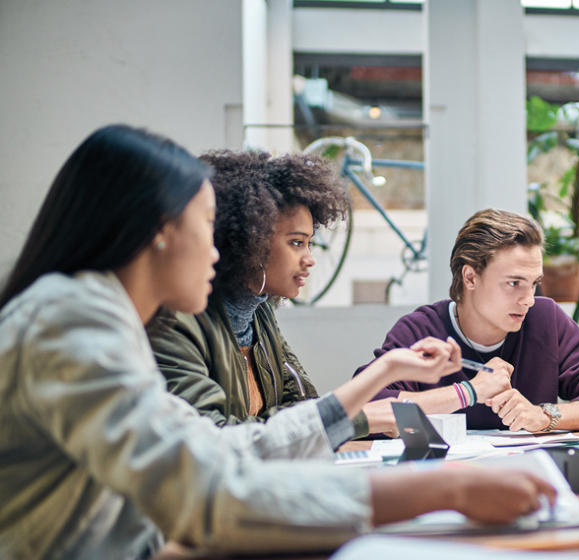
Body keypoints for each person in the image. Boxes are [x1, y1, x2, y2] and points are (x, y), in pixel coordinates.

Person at [0, 126, 555, 560]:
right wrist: (444, 494)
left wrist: (384, 379)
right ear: (161, 230)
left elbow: (226, 451)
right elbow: (208, 490)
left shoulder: (97, 317)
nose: (219, 246)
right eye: (208, 222)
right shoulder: (73, 321)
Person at [147, 149, 400, 444]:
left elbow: (303, 404)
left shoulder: (259, 313)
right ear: (248, 240)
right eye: (296, 243)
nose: (309, 259)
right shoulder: (176, 322)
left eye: (309, 244)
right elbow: (211, 439)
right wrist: (356, 418)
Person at [354, 208, 579, 434]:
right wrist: (468, 392)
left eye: (534, 283)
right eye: (514, 283)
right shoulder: (421, 330)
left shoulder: (546, 320)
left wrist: (543, 415)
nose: (528, 299)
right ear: (470, 277)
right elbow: (364, 406)